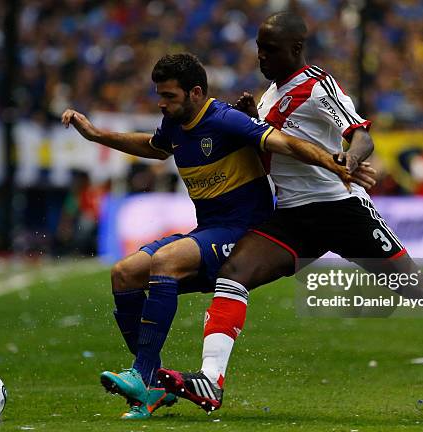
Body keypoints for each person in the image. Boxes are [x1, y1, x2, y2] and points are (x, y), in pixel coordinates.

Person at [157, 12, 423, 413]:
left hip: (342, 210)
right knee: (234, 275)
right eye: (258, 48)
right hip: (294, 217)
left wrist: (349, 161)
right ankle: (212, 380)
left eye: (270, 49)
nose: (261, 56)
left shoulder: (318, 86)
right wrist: (253, 119)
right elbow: (278, 147)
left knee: (417, 289)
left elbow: (361, 135)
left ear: (295, 49)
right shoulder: (269, 96)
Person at [61, 53, 376, 419]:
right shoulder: (175, 124)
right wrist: (96, 134)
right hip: (208, 231)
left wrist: (335, 163)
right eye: (159, 95)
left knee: (165, 261)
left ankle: (142, 375)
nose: (162, 103)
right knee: (124, 274)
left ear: (195, 93)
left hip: (246, 231)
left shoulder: (226, 120)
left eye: (169, 96)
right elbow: (153, 147)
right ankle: (152, 387)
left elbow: (285, 143)